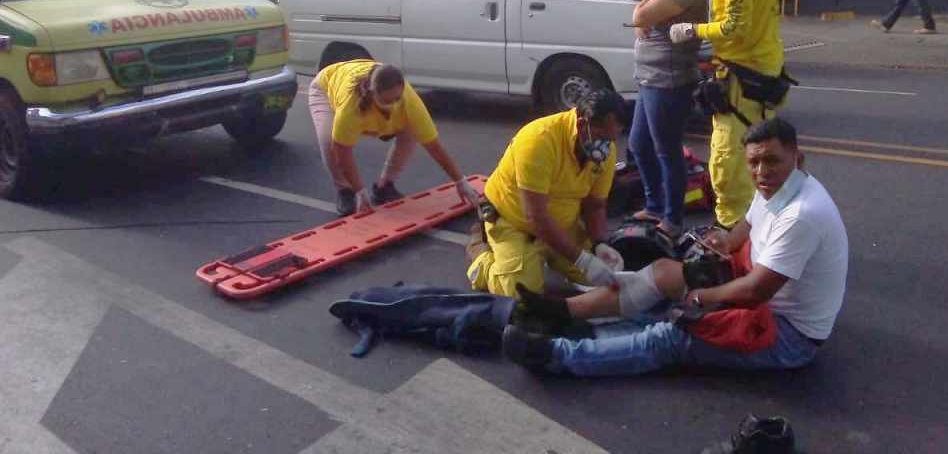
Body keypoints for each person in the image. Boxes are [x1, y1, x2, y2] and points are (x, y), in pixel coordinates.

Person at [502, 118, 849, 376]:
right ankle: (561, 312)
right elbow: (748, 224)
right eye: (754, 162)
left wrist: (702, 298)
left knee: (673, 335)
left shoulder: (802, 215)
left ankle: (554, 356)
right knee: (664, 274)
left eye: (771, 160)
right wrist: (725, 241)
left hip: (787, 333)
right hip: (754, 287)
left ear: (797, 159)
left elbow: (754, 292)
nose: (761, 171)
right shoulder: (779, 186)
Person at [667, 0, 788, 229]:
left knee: (728, 164)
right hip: (750, 70)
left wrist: (692, 30)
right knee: (757, 159)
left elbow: (734, 25)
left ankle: (732, 237)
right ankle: (757, 232)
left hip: (746, 76)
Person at [465, 89, 629, 296]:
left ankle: (546, 254)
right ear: (582, 124)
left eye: (611, 140)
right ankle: (481, 254)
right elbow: (536, 216)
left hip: (562, 225)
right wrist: (582, 260)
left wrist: (599, 244)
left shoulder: (606, 151)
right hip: (516, 223)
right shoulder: (538, 141)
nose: (604, 148)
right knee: (522, 294)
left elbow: (594, 204)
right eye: (599, 137)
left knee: (606, 279)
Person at [308, 59, 480, 216]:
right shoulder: (352, 106)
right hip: (326, 87)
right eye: (386, 101)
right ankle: (345, 191)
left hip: (372, 104)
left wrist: (460, 181)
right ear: (372, 93)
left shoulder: (410, 102)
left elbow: (433, 144)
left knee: (413, 130)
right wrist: (359, 189)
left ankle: (384, 186)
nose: (393, 105)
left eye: (397, 98)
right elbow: (342, 152)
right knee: (329, 141)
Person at [628, 0, 710, 238]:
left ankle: (673, 220)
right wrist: (644, 8)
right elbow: (643, 13)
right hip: (651, 79)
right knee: (638, 145)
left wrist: (641, 11)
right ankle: (654, 205)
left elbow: (639, 18)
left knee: (667, 151)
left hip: (669, 82)